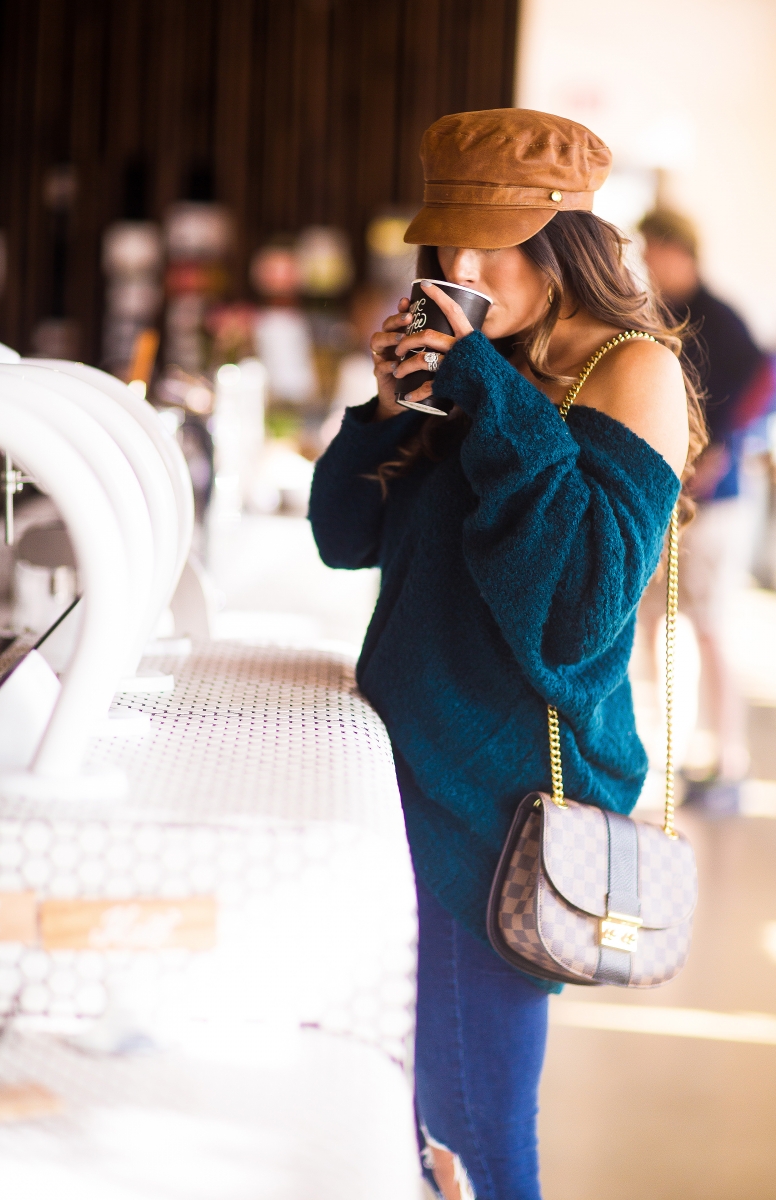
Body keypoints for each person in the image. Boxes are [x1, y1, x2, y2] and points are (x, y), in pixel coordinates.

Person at [309, 110, 706, 1200]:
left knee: (471, 1131)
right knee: (391, 1125)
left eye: (495, 243)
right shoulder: (483, 367)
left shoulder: (632, 373)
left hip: (499, 811)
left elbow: (573, 618)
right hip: (399, 780)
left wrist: (479, 385)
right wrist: (386, 412)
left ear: (566, 239)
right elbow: (344, 538)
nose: (464, 270)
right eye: (446, 246)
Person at [640, 210, 773, 809]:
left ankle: (729, 763)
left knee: (711, 628)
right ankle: (679, 749)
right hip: (675, 501)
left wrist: (724, 446)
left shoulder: (720, 318)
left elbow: (765, 381)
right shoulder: (660, 317)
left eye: (651, 250)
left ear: (677, 250)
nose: (645, 263)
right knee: (660, 621)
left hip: (717, 507)